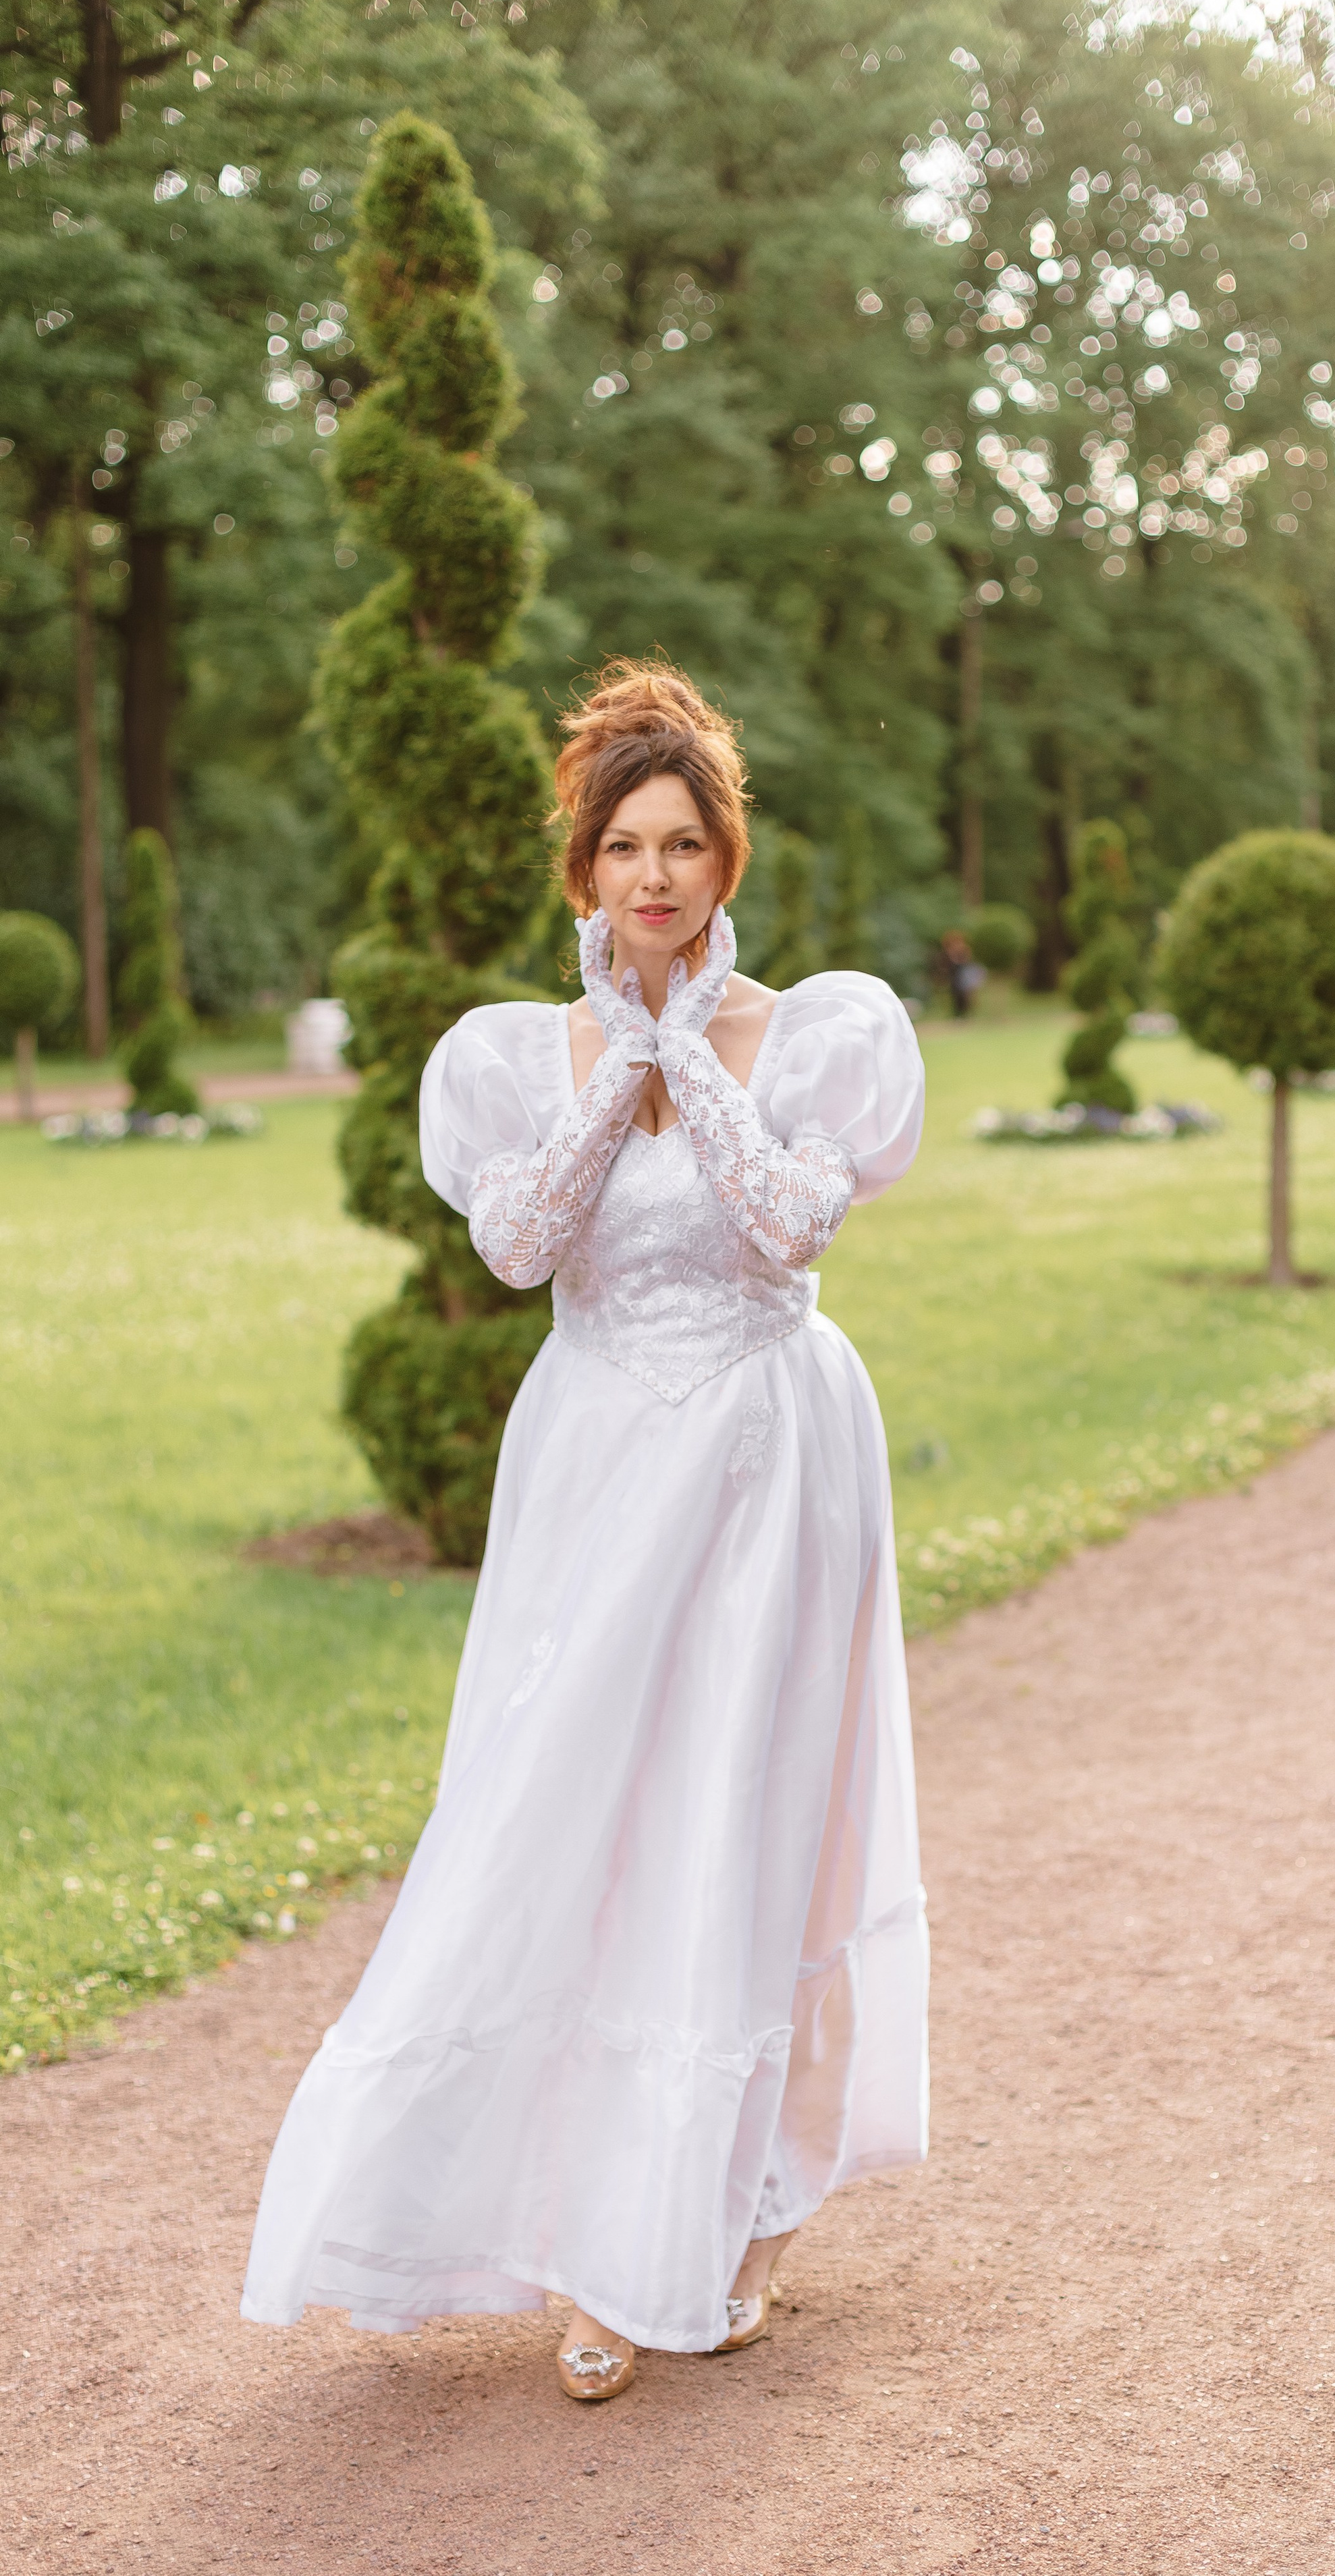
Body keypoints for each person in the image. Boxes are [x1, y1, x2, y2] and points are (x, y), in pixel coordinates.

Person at [241, 663, 929, 2401]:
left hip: (773, 1464)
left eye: (684, 843)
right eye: (623, 845)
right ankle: (587, 2228)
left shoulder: (817, 1031)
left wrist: (688, 1060)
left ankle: (729, 2220)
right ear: (582, 869)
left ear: (725, 861)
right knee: (569, 1810)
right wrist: (612, 1059)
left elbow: (783, 1232)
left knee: (742, 1815)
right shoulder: (511, 1055)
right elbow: (517, 1252)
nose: (653, 876)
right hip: (595, 1460)